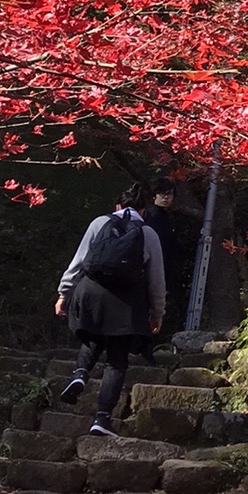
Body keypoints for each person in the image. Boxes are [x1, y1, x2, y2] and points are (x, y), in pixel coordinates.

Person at [54, 184, 166, 435]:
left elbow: (79, 260)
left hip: (91, 292)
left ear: (117, 206)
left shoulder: (99, 223)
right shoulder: (148, 233)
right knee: (117, 360)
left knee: (93, 338)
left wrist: (64, 293)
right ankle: (102, 420)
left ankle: (80, 374)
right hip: (128, 302)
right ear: (143, 209)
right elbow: (156, 280)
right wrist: (157, 313)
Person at [137, 179, 178, 360]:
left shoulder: (166, 217)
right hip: (149, 270)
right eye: (162, 194)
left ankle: (145, 347)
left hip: (162, 269)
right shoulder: (151, 216)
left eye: (169, 194)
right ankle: (142, 348)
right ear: (154, 196)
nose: (166, 198)